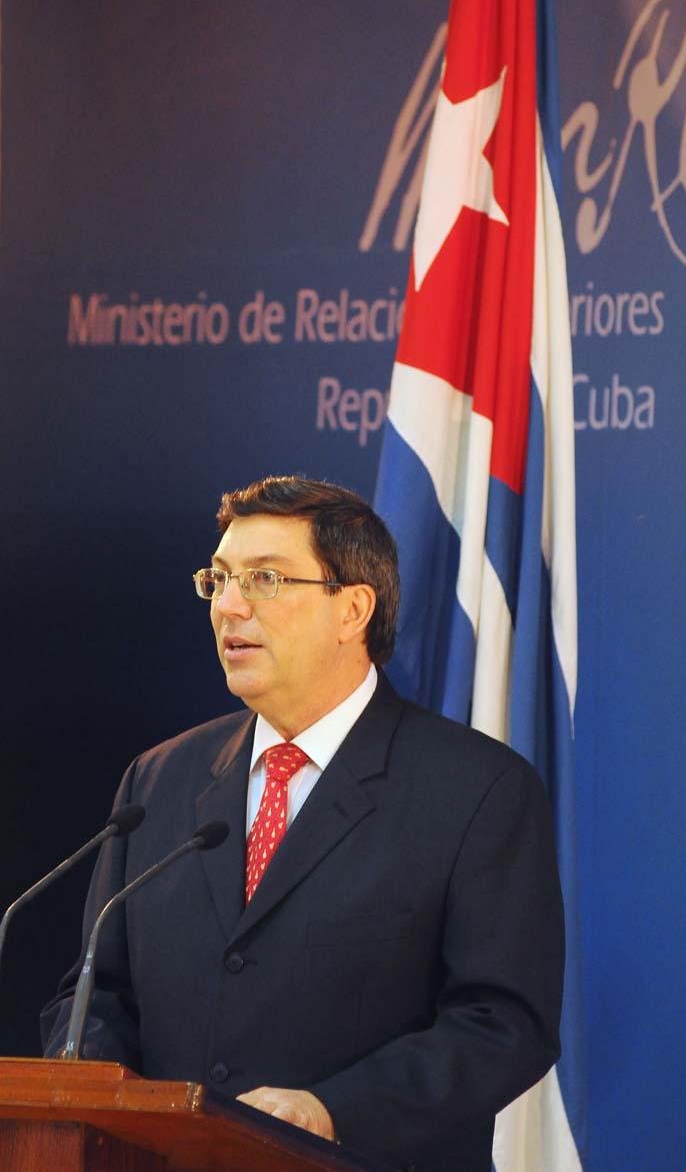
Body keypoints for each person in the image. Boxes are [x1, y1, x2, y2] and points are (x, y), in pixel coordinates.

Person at [42, 475, 564, 1172]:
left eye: (263, 579)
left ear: (352, 609)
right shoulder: (159, 779)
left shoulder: (478, 789)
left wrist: (332, 1110)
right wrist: (108, 1100)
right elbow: (93, 991)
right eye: (219, 578)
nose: (228, 606)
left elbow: (504, 1024)